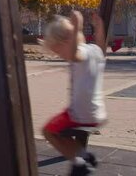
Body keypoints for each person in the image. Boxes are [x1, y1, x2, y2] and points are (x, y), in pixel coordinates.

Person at [41, 11, 107, 176]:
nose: (62, 56)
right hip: (97, 113)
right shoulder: (95, 51)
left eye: (58, 51)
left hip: (80, 114)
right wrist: (100, 29)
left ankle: (80, 163)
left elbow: (73, 54)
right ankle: (85, 157)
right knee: (62, 134)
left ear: (67, 42)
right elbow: (101, 46)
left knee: (48, 131)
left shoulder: (79, 54)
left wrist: (77, 26)